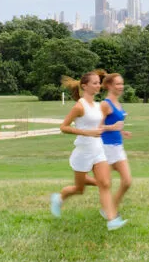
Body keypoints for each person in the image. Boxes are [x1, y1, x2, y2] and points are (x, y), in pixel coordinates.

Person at [49, 71, 127, 231]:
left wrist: (113, 129)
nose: (98, 85)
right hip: (83, 152)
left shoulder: (98, 106)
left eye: (99, 83)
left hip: (98, 149)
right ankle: (60, 197)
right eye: (95, 83)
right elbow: (63, 127)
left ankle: (112, 219)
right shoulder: (79, 106)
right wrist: (86, 133)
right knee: (79, 189)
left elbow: (99, 127)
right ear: (84, 86)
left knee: (105, 183)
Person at [99, 71, 134, 213]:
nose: (121, 86)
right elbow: (97, 128)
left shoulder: (118, 103)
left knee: (127, 181)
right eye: (118, 84)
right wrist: (112, 127)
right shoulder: (105, 104)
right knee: (105, 184)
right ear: (109, 86)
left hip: (118, 147)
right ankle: (110, 211)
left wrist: (121, 131)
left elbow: (116, 124)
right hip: (106, 148)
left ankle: (111, 207)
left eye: (122, 83)